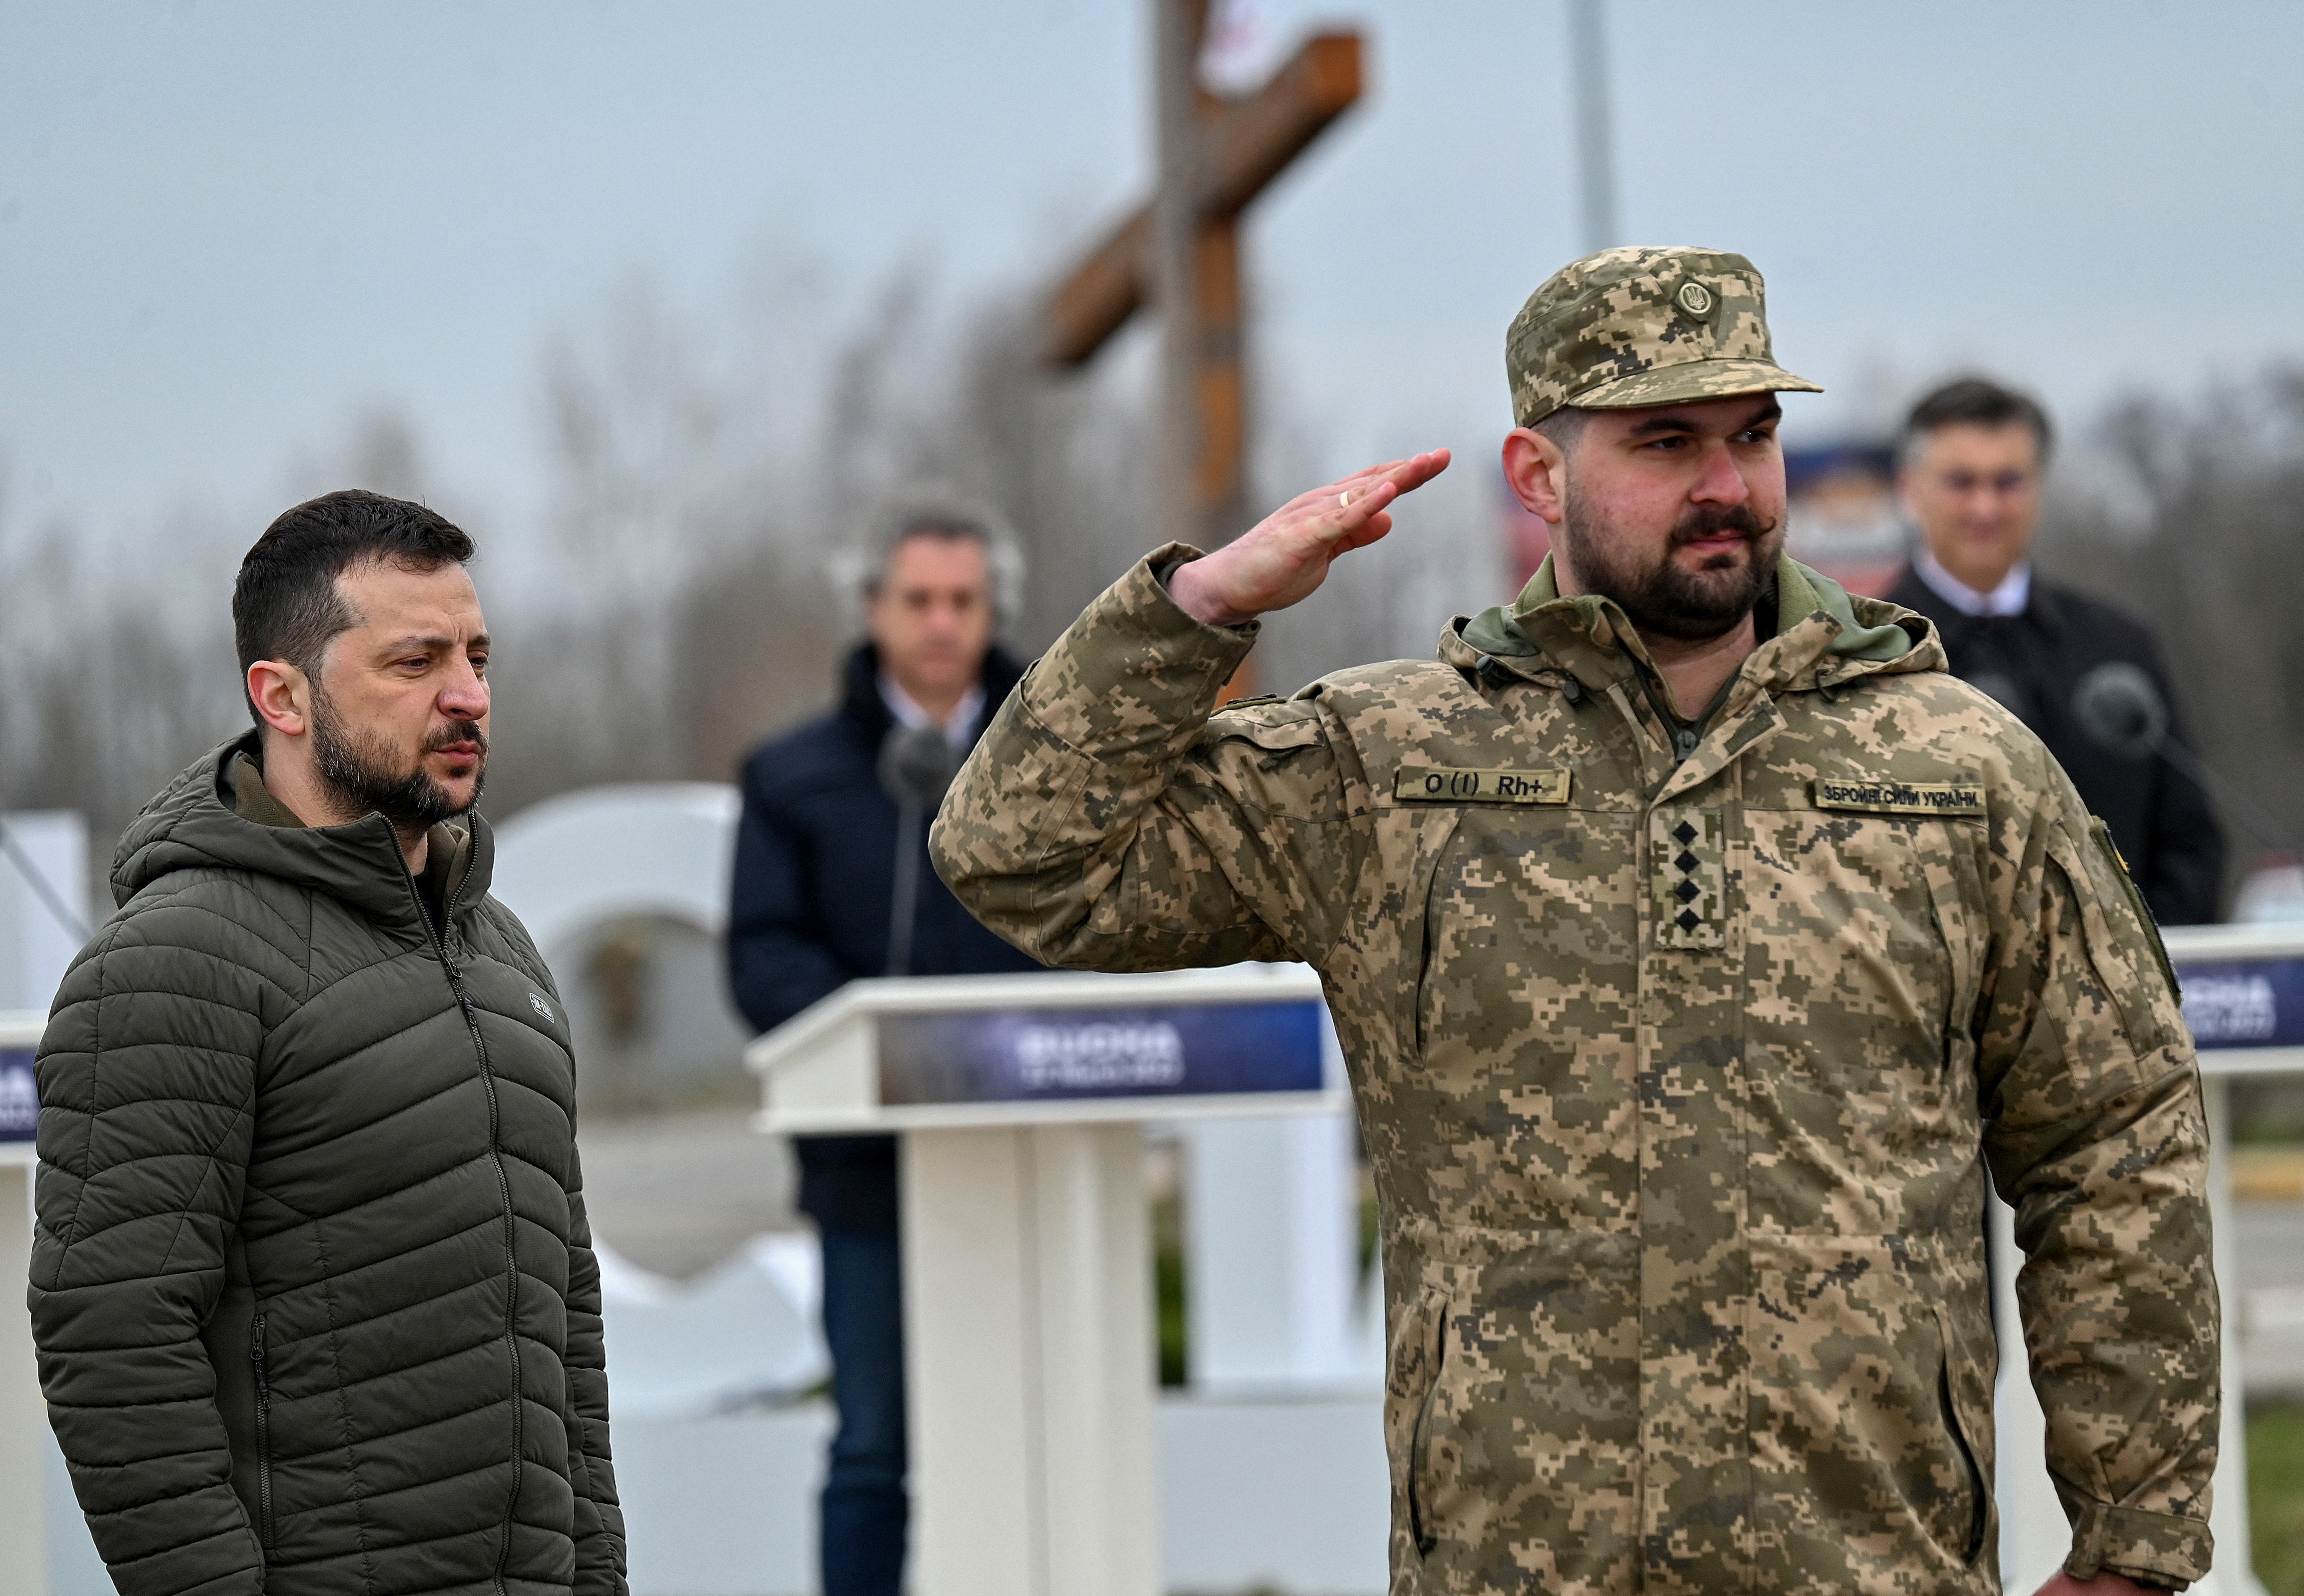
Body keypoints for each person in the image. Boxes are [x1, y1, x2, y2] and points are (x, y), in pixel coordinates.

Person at [932, 247, 2217, 1595]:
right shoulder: (1393, 764)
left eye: (1752, 435)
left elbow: (2111, 1140)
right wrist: (1195, 611)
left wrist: (2129, 1545)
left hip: (1865, 1562)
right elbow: (1020, 857)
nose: (1724, 484)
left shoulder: (1955, 771)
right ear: (1536, 476)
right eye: (1664, 440)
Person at [29, 491, 625, 1594]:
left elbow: (566, 1317)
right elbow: (113, 1339)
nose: (468, 696)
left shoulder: (503, 952)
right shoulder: (169, 961)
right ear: (282, 695)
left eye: (478, 656)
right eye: (414, 663)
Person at [725, 503, 1041, 1596]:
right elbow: (763, 959)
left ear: (994, 611)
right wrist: (888, 1048)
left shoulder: (1060, 758)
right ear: (874, 610)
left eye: (965, 600)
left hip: (1036, 1157)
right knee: (875, 1446)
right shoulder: (790, 774)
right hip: (868, 1177)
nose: (943, 623)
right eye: (920, 600)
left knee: (1035, 1430)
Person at [1886, 376, 2224, 923]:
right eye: (1961, 482)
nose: (1986, 507)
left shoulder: (2119, 646)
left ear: (2039, 485)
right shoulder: (1868, 657)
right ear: (1909, 488)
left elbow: (2190, 848)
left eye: (2008, 481)